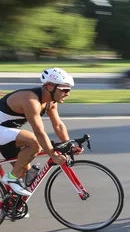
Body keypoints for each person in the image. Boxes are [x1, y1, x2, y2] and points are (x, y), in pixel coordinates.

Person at [0, 67, 82, 196]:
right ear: (50, 87)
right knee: (35, 142)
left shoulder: (50, 102)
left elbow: (58, 125)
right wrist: (52, 154)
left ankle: (12, 208)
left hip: (7, 132)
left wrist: (69, 144)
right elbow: (39, 132)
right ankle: (11, 177)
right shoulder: (31, 100)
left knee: (26, 175)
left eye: (69, 90)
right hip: (3, 131)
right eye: (64, 90)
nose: (67, 93)